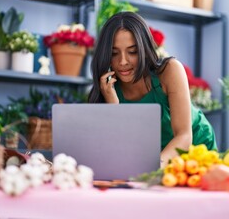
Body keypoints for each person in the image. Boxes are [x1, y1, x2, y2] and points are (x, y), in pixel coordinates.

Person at [88, 12, 217, 167]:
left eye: (132, 52)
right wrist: (114, 107)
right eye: (114, 53)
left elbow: (183, 136)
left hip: (194, 148)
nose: (122, 62)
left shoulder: (170, 71)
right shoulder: (109, 88)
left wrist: (152, 168)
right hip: (151, 160)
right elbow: (120, 151)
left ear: (143, 49)